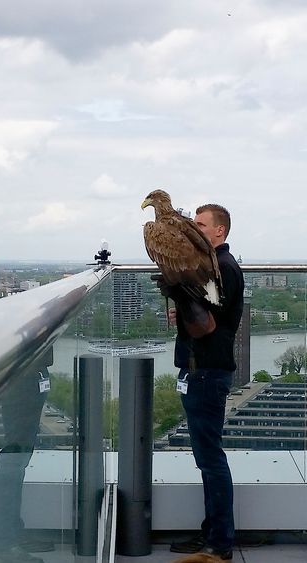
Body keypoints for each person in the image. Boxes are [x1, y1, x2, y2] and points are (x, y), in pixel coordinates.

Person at [164, 204, 244, 561]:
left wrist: (178, 293)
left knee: (210, 458)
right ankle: (211, 534)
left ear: (219, 232)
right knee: (206, 457)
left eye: (200, 226)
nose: (194, 232)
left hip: (207, 372)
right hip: (205, 369)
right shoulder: (215, 266)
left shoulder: (222, 267)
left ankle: (220, 543)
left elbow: (207, 324)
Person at [0, 348, 54, 563]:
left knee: (19, 459)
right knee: (13, 459)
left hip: (30, 375)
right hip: (22, 377)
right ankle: (4, 543)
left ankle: (12, 533)